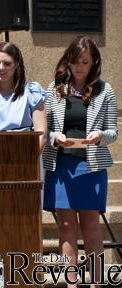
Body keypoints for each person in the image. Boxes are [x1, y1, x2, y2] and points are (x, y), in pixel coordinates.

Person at [42, 36, 118, 287]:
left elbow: (112, 131)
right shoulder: (54, 88)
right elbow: (44, 127)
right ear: (68, 61)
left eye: (85, 61)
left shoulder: (104, 90)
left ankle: (96, 282)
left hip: (91, 166)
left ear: (94, 61)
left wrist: (99, 136)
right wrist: (55, 137)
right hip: (61, 166)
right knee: (65, 226)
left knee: (91, 226)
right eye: (75, 61)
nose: (79, 67)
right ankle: (71, 283)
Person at [0, 42, 47, 151]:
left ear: (16, 64)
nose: (0, 68)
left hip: (28, 157)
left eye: (7, 63)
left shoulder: (32, 93)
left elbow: (42, 135)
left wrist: (28, 160)